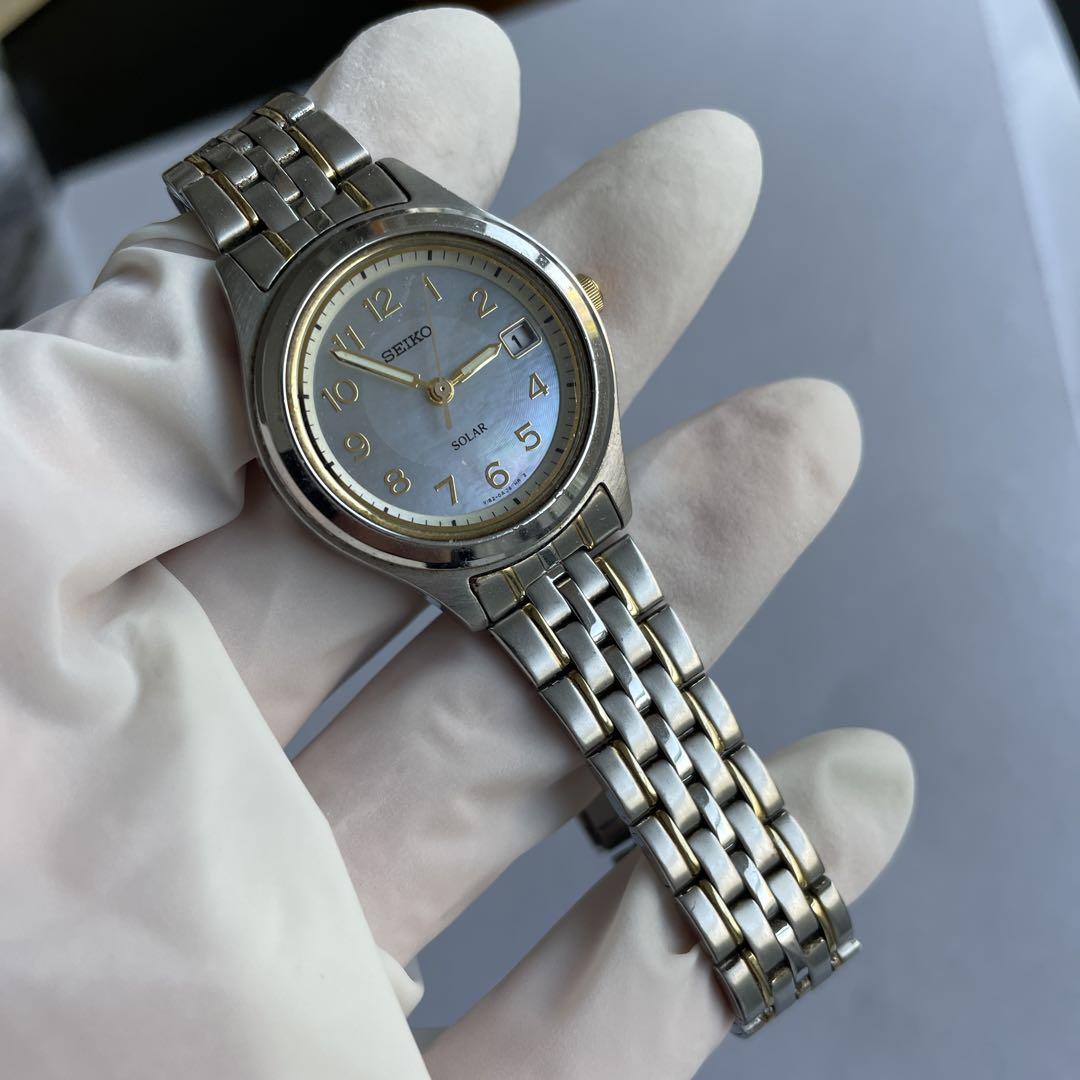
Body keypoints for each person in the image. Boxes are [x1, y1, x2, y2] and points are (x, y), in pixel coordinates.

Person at [0, 8, 914, 1077]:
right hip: (453, 523)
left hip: (541, 498)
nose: (441, 390)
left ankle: (684, 818)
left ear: (570, 309)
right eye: (423, 386)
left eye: (457, 376)